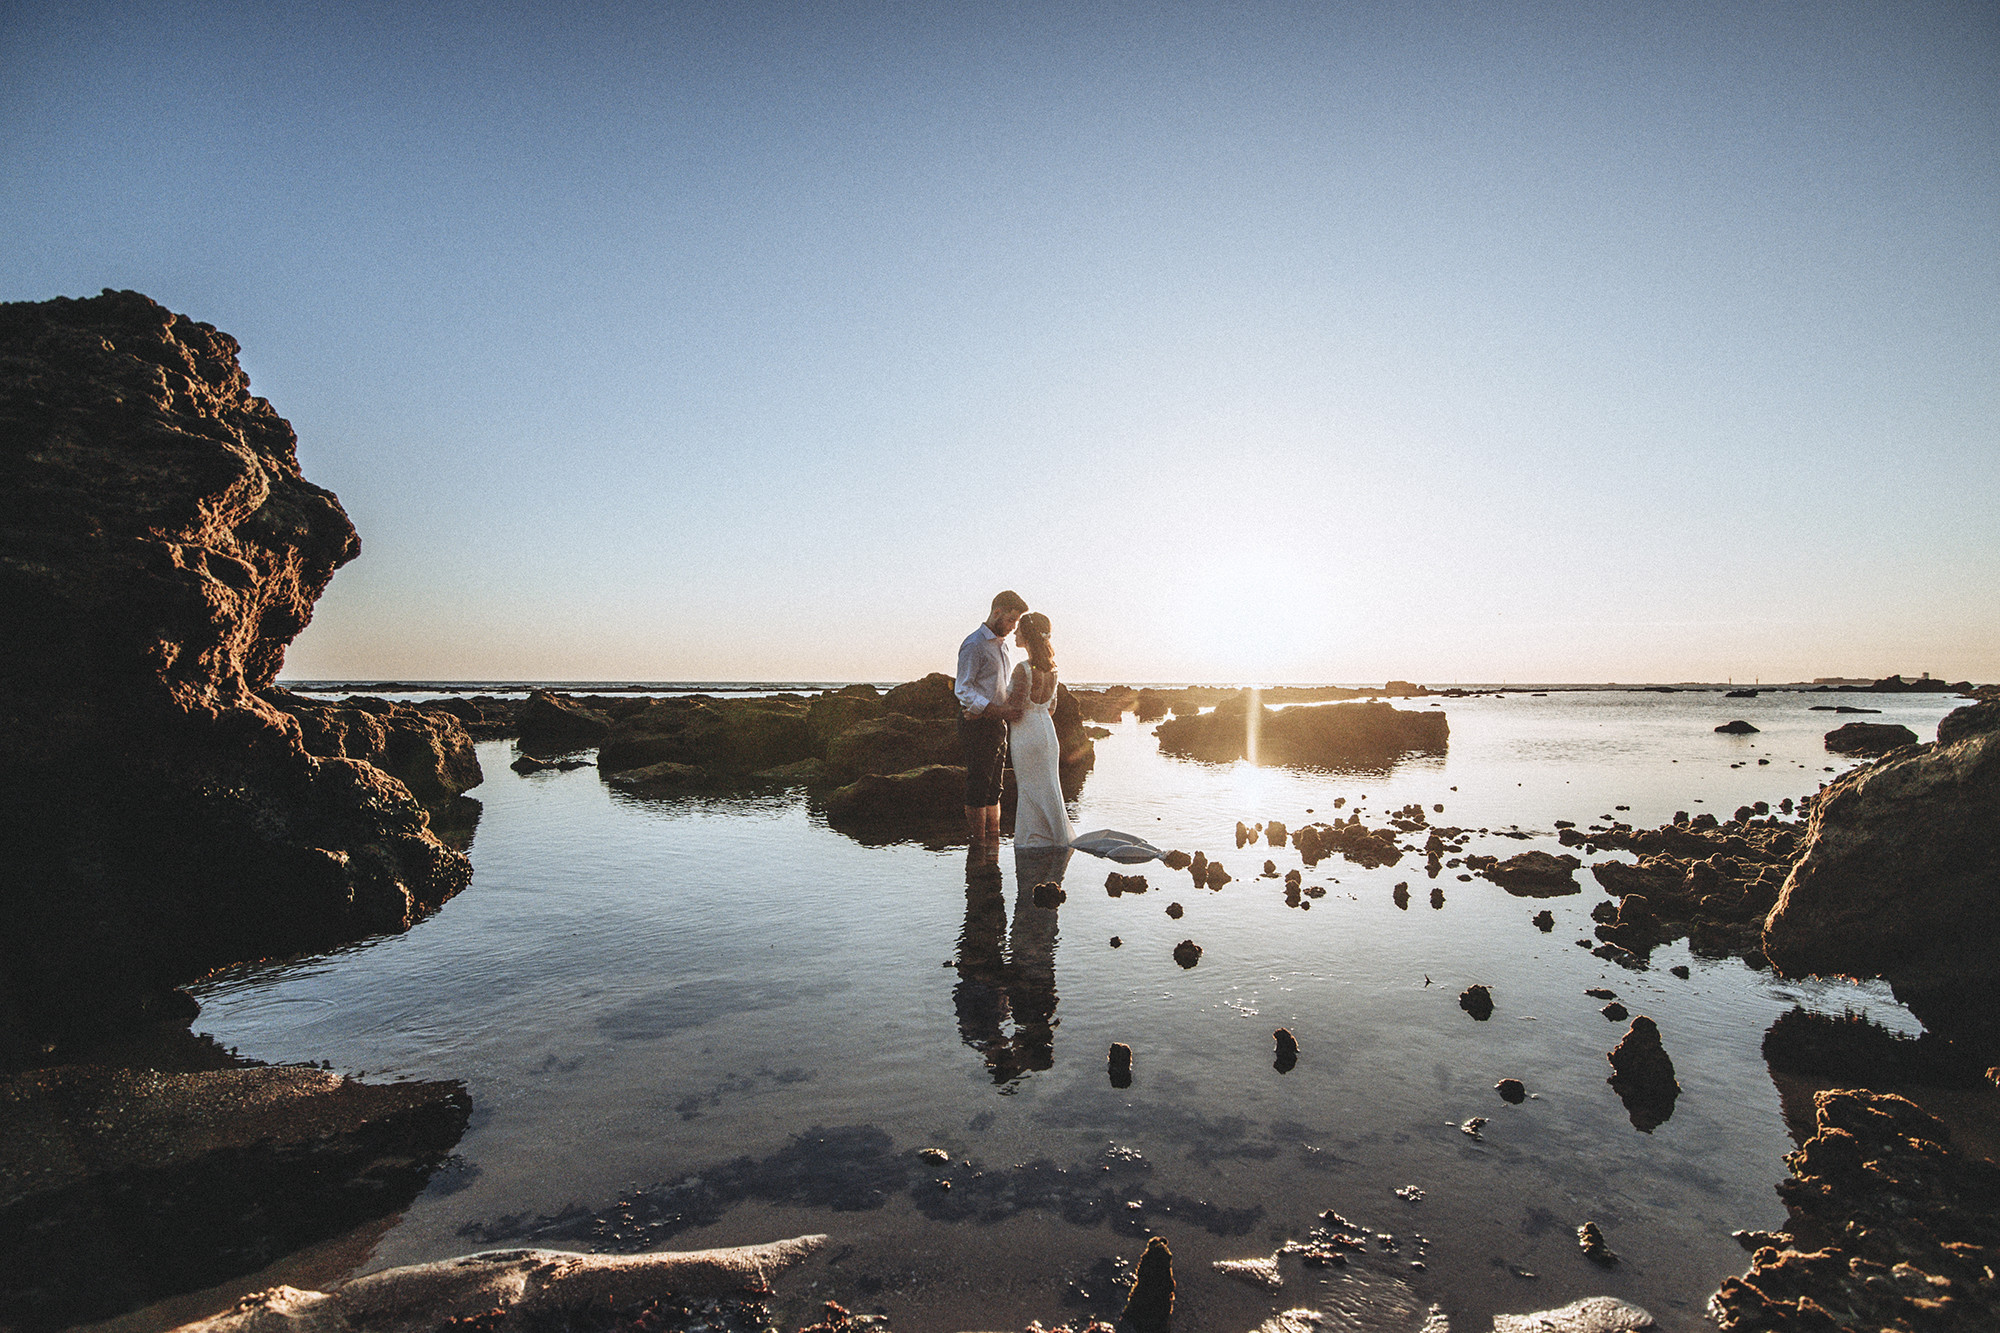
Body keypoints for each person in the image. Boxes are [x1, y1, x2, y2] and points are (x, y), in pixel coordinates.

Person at [956, 590, 1028, 845]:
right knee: (978, 785)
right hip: (978, 724)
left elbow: (1001, 688)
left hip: (999, 724)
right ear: (997, 612)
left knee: (995, 788)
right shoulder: (974, 644)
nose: (1013, 626)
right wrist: (991, 710)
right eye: (1011, 620)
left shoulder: (1004, 646)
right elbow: (963, 688)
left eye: (1016, 622)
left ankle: (992, 844)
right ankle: (978, 845)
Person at [1005, 612, 1074, 849]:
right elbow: (1051, 707)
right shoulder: (1053, 670)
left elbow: (1014, 709)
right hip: (1046, 730)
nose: (1015, 633)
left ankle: (1032, 841)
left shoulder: (1023, 669)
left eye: (1019, 630)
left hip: (1026, 733)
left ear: (1028, 635)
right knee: (1049, 785)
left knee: (1028, 787)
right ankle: (1055, 836)